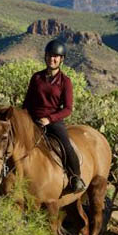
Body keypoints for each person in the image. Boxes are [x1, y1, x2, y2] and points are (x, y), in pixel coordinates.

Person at [22, 39, 86, 193]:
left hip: (53, 122)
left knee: (66, 145)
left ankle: (76, 178)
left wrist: (49, 119)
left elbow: (68, 109)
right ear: (45, 57)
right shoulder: (36, 78)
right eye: (50, 56)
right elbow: (27, 102)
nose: (52, 59)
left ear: (61, 59)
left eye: (56, 56)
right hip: (33, 120)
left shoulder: (65, 82)